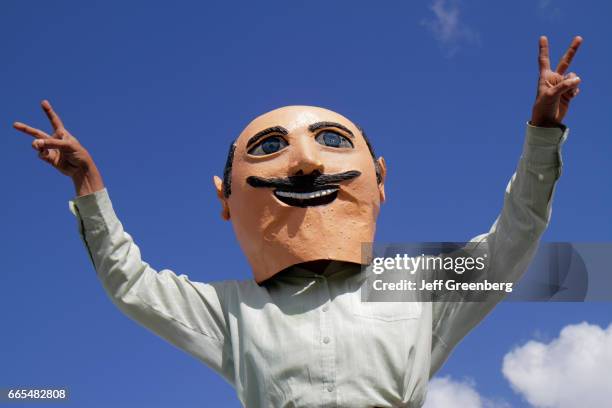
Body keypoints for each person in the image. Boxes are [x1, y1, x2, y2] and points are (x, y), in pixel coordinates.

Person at [14, 36, 582, 407]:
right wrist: (87, 183)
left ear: (380, 178)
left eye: (332, 142)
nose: (307, 163)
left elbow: (514, 239)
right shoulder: (232, 313)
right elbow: (130, 284)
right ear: (226, 198)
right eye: (269, 147)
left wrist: (542, 136)